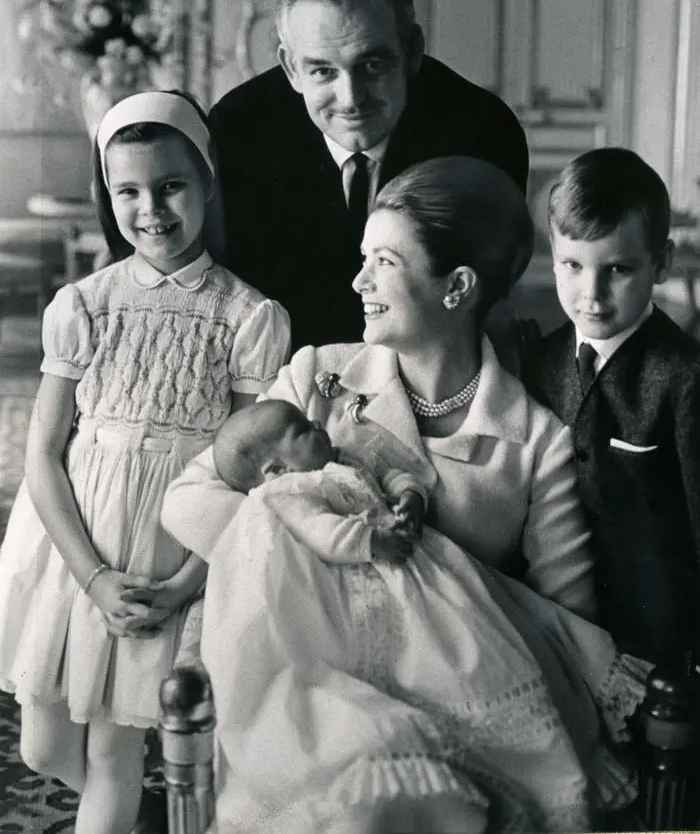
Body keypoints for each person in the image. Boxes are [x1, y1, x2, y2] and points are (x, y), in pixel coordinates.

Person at [160, 157, 649, 831]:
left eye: (384, 262)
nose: (358, 280)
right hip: (319, 698)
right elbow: (188, 498)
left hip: (460, 710)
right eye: (364, 258)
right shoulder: (317, 376)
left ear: (458, 287)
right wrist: (320, 548)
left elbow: (560, 612)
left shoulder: (534, 440)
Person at [0, 91, 290, 834]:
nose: (151, 209)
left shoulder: (247, 316)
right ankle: (146, 816)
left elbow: (246, 470)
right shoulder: (83, 304)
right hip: (77, 543)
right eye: (127, 191)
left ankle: (121, 806)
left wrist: (188, 583)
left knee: (112, 752)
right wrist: (92, 576)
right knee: (42, 746)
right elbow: (42, 451)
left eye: (170, 186)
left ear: (207, 183)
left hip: (171, 548)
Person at [209, 0, 529, 349]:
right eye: (322, 71)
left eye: (372, 66)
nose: (351, 99)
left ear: (412, 51)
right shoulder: (237, 131)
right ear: (291, 68)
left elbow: (478, 302)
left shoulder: (483, 132)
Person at [522, 147, 700, 673]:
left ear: (661, 263)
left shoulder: (686, 378)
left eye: (618, 269)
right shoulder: (538, 362)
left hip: (660, 646)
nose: (592, 295)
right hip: (558, 630)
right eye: (573, 266)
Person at [213, 398, 425, 563]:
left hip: (400, 540)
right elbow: (318, 529)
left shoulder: (345, 457)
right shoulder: (293, 493)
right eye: (302, 430)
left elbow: (387, 475)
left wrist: (409, 493)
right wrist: (372, 542)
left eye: (308, 421)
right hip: (363, 561)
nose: (316, 423)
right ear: (279, 469)